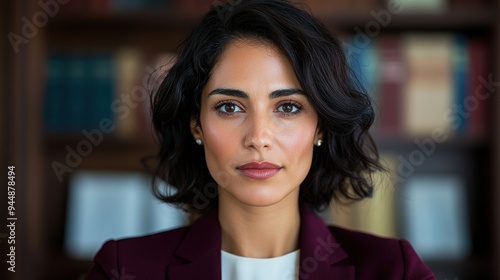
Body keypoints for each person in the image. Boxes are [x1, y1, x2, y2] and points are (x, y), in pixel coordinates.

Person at [86, 0, 435, 279]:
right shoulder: (123, 269)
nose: (258, 138)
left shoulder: (393, 269)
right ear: (196, 125)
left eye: (287, 107)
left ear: (321, 127)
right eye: (229, 107)